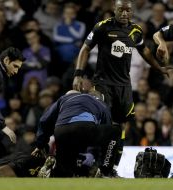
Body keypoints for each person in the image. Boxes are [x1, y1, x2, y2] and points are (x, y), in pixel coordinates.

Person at [72, 0, 172, 172]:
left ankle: (111, 168)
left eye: (128, 10)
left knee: (121, 127)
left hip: (124, 86)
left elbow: (145, 51)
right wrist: (78, 74)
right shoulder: (102, 27)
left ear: (132, 11)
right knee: (103, 122)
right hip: (103, 83)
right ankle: (86, 161)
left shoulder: (135, 31)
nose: (124, 13)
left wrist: (159, 68)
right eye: (121, 10)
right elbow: (85, 49)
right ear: (114, 9)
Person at [32, 89, 122, 178]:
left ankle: (53, 170)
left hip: (61, 131)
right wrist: (96, 158)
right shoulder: (101, 103)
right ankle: (105, 172)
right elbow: (106, 137)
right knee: (115, 132)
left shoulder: (64, 99)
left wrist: (40, 145)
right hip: (83, 128)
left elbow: (44, 120)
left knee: (64, 172)